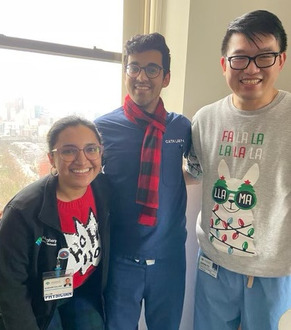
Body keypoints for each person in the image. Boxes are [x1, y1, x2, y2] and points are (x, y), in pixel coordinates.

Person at [186, 9, 291, 330]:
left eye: (264, 57)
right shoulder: (204, 119)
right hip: (214, 263)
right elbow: (195, 171)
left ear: (281, 60)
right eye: (240, 58)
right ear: (224, 64)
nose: (251, 69)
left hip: (274, 270)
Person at [94, 32, 191, 330]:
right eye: (134, 67)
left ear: (167, 77)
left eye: (152, 69)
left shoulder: (181, 127)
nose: (141, 76)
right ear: (125, 71)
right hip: (121, 259)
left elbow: (197, 169)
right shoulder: (102, 128)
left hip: (169, 258)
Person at [0, 116, 111, 330]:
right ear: (52, 159)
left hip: (82, 290)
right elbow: (9, 285)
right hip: (37, 301)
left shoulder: (103, 190)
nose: (82, 160)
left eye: (91, 149)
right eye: (69, 151)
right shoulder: (22, 212)